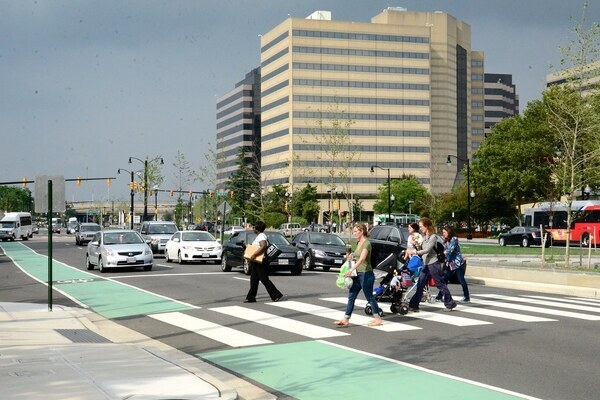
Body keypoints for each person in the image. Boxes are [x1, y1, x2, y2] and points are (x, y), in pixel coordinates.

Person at [334, 222, 383, 327]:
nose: (354, 233)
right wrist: (351, 256)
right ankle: (346, 319)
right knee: (351, 296)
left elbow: (362, 259)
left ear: (362, 231)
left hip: (366, 274)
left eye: (356, 231)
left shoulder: (367, 243)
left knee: (369, 296)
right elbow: (357, 256)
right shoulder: (357, 243)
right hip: (357, 274)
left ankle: (378, 319)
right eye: (354, 231)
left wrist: (351, 269)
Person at [407, 218, 457, 312]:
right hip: (426, 263)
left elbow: (426, 250)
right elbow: (422, 249)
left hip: (434, 263)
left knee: (440, 284)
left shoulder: (433, 237)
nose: (420, 228)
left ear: (426, 226)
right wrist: (416, 244)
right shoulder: (424, 236)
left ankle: (450, 303)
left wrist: (415, 251)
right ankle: (414, 305)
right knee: (420, 284)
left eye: (421, 226)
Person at [244, 221, 283, 303]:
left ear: (257, 229)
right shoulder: (259, 236)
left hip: (261, 262)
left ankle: (276, 295)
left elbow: (263, 246)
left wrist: (254, 254)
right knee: (254, 280)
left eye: (254, 227)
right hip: (256, 262)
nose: (253, 229)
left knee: (264, 280)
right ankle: (251, 297)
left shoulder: (261, 236)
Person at [436, 225, 470, 302]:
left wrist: (442, 253)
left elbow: (449, 250)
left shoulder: (454, 239)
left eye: (445, 232)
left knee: (461, 280)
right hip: (450, 263)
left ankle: (466, 297)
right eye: (443, 232)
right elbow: (443, 249)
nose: (443, 234)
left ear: (449, 232)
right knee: (445, 280)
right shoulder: (445, 240)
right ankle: (439, 296)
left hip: (457, 263)